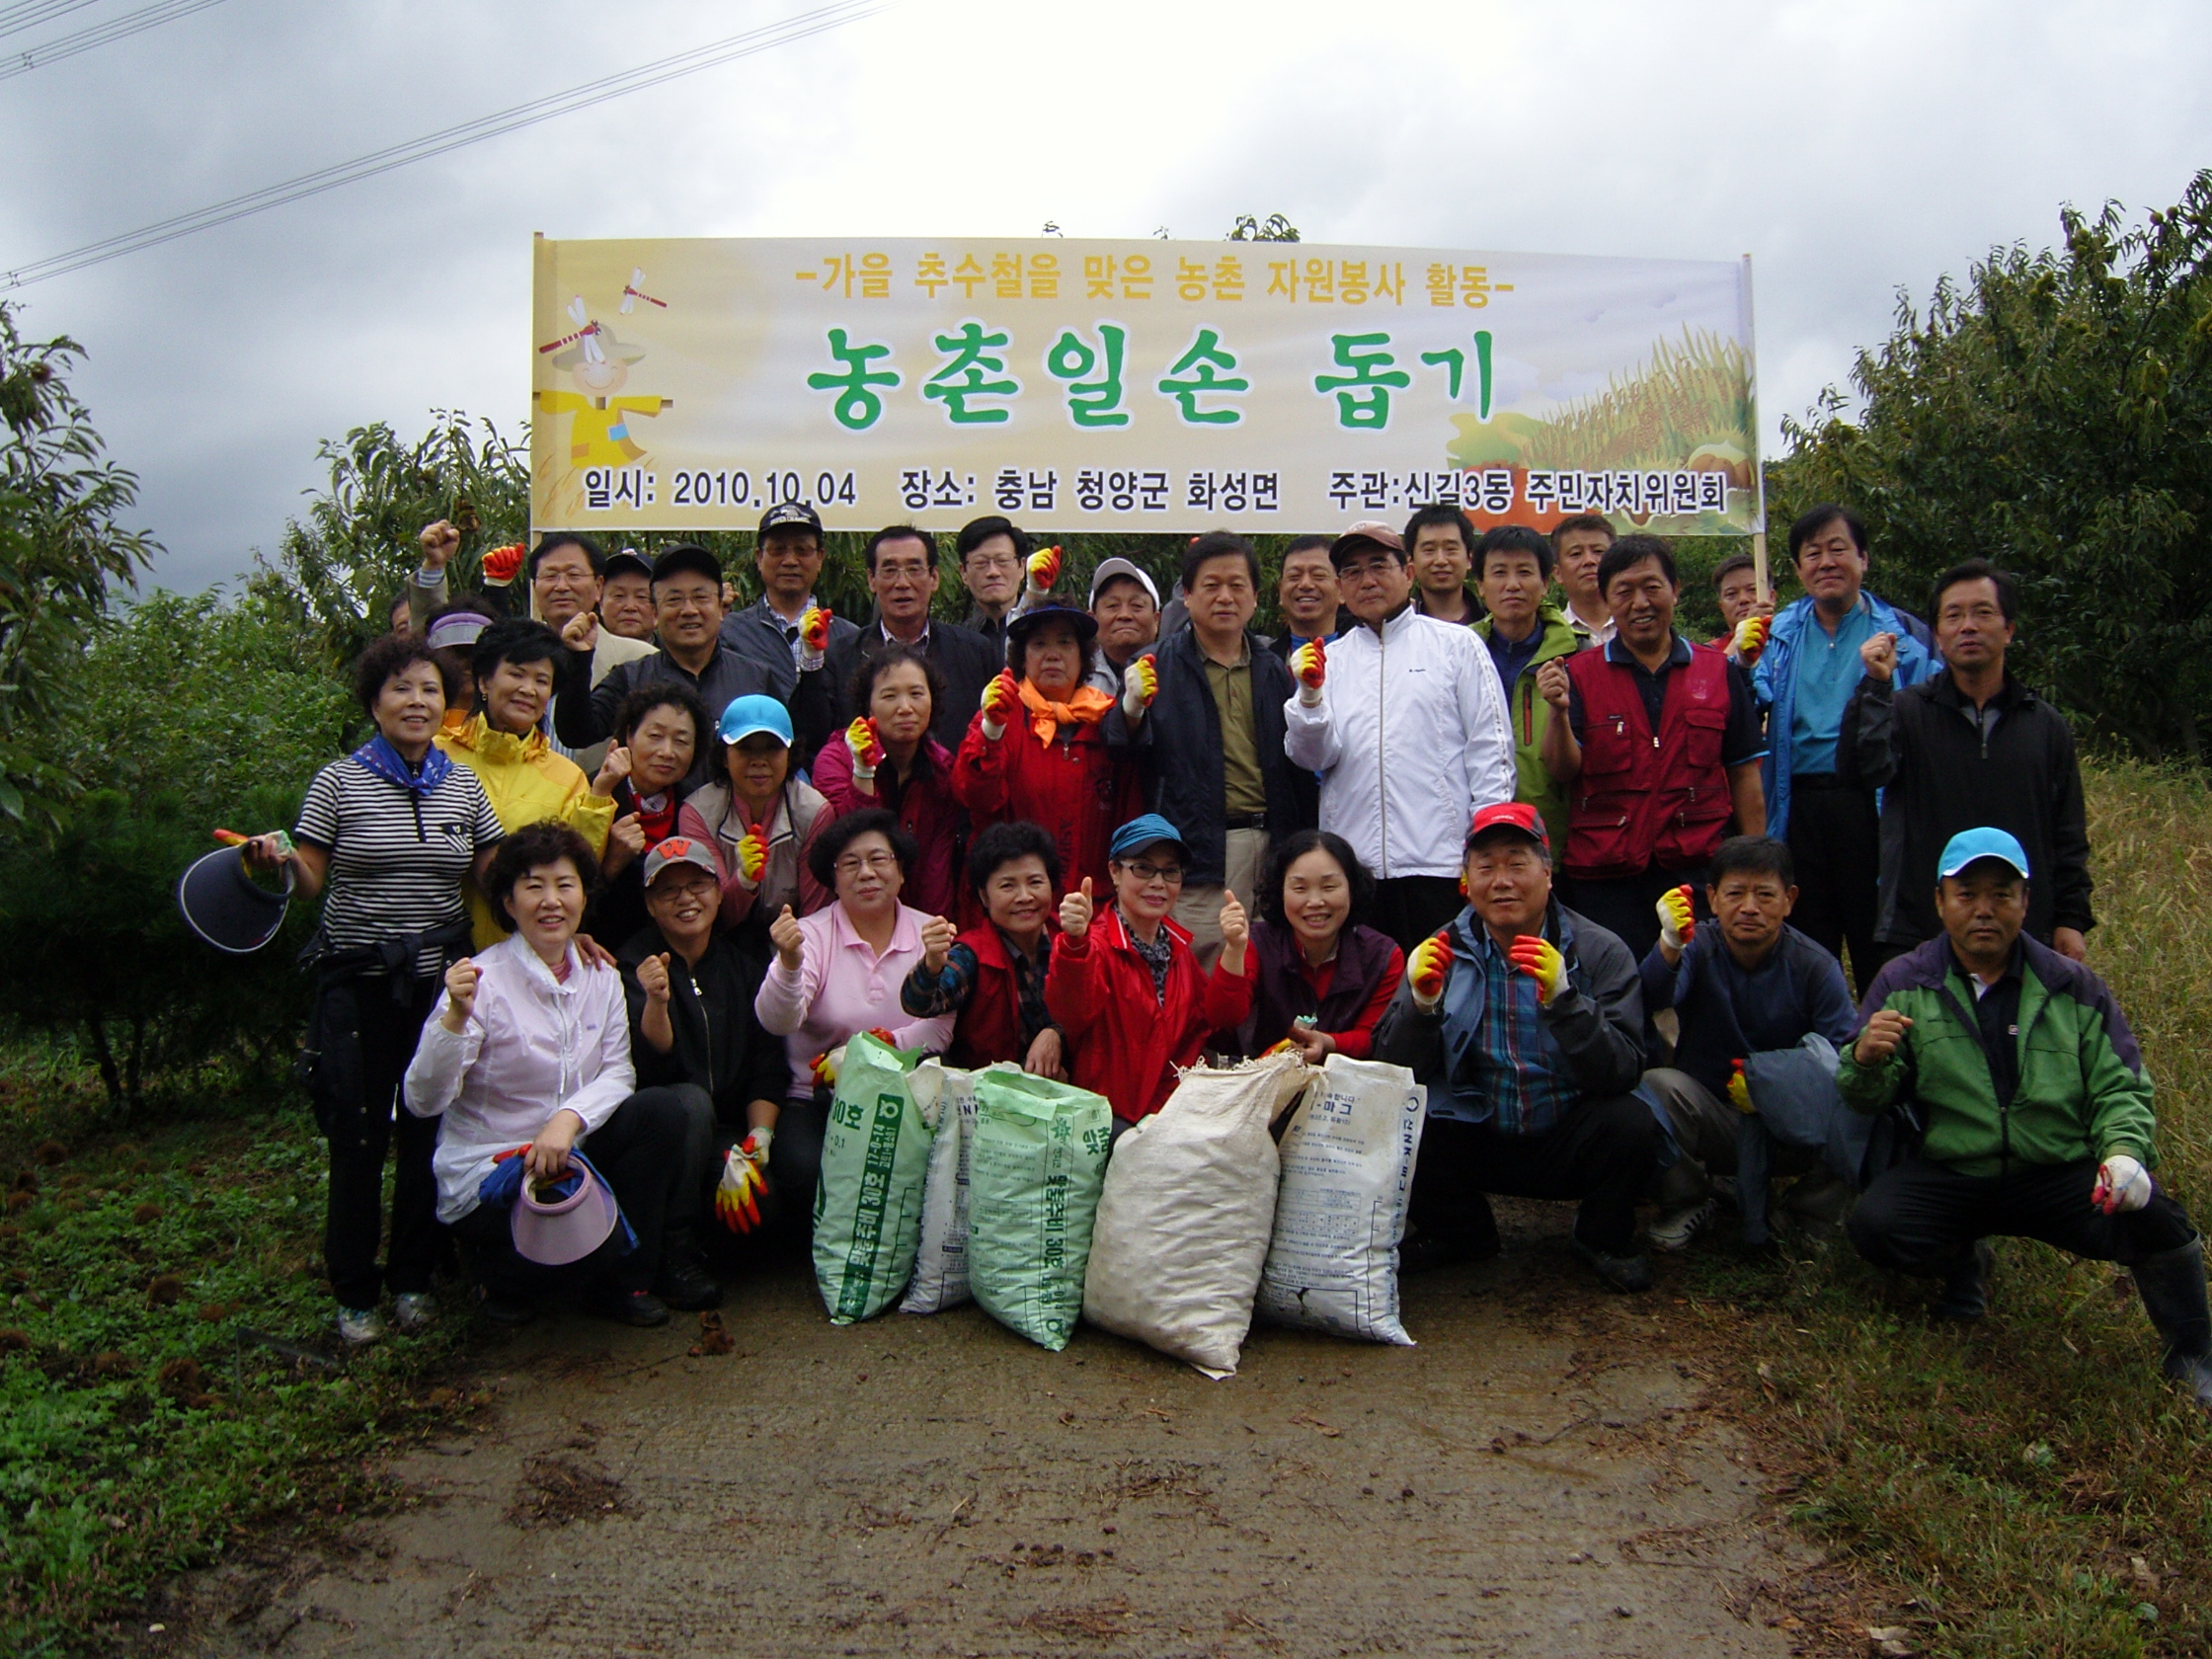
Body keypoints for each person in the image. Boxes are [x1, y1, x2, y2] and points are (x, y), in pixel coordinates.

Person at [1841, 828, 2212, 1408]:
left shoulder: (2073, 985)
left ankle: (2192, 1355)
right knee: (1877, 1224)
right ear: (1940, 903)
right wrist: (1864, 1060)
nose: (1984, 910)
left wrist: (2123, 1154)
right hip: (1957, 1170)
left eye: (2001, 894)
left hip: (2056, 1173)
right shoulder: (1902, 982)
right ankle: (1963, 1263)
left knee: (2159, 1220)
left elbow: (2121, 1084)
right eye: (1967, 895)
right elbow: (1866, 1099)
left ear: (2025, 901)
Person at [242, 635, 506, 1344]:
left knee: (430, 1131)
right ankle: (355, 1292)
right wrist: (277, 861)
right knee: (356, 1139)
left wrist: (561, 923)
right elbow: (311, 881)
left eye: (427, 689)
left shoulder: (463, 784)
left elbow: (494, 877)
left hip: (440, 991)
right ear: (373, 703)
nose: (416, 702)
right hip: (356, 983)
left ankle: (414, 1279)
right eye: (400, 690)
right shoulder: (339, 782)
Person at [404, 822, 707, 1328]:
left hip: (573, 1153)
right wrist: (453, 1019)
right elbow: (423, 1100)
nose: (551, 901)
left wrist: (566, 1121)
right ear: (507, 902)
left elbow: (617, 1072)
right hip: (493, 1173)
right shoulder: (482, 981)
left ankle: (621, 1282)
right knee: (555, 1269)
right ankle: (503, 1274)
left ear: (584, 897)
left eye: (565, 885)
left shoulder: (602, 975)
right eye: (533, 886)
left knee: (663, 1112)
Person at [1372, 802, 1658, 1293]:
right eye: (1485, 867)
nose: (1501, 880)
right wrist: (1420, 1006)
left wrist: (1566, 1002)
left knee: (1631, 1122)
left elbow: (1625, 1068)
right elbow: (1391, 1069)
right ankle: (1462, 1234)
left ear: (1548, 874)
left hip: (1567, 1132)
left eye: (1517, 863)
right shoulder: (1440, 949)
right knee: (1404, 1121)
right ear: (1466, 881)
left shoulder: (1599, 949)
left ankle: (1601, 1237)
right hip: (1477, 1127)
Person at [1282, 519, 1516, 951]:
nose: (1366, 580)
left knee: (1444, 987)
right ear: (1339, 587)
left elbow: (1492, 752)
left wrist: (1485, 851)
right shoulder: (1329, 658)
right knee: (1368, 995)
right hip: (1355, 869)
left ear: (1407, 573)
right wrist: (1310, 697)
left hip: (1441, 865)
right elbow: (1312, 757)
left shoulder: (1456, 645)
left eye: (1378, 566)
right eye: (1352, 572)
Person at [1845, 560, 2091, 961]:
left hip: (2022, 932)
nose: (1968, 626)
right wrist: (1875, 687)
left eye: (1983, 613)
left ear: (2009, 629)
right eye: (1953, 615)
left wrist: (2071, 919)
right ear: (1938, 636)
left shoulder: (2045, 726)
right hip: (1919, 932)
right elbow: (1863, 772)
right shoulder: (1906, 711)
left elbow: (2068, 835)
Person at [1538, 534, 1767, 960]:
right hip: (1607, 879)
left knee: (1696, 993)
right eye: (1623, 591)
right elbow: (1561, 769)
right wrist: (1555, 711)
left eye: (1652, 587)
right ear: (1607, 600)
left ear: (1675, 591)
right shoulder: (1579, 673)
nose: (1639, 602)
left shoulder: (1716, 670)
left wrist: (1754, 864)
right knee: (1616, 996)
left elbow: (1743, 772)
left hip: (1696, 870)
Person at [1636, 835, 1858, 1251]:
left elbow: (1842, 1058)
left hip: (1789, 1122)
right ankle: (1687, 1199)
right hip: (1714, 1113)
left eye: (1765, 895)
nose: (1750, 907)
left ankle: (1806, 1213)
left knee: (1860, 1100)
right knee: (1655, 1086)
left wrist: (1776, 1085)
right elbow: (1650, 998)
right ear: (1713, 898)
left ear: (1789, 900)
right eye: (1735, 893)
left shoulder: (1816, 966)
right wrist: (1668, 943)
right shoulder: (1697, 946)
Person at [1754, 504, 1936, 987]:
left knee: (1881, 940)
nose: (1826, 562)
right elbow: (1752, 700)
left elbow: (1932, 711)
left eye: (1838, 549)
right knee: (1810, 946)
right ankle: (1821, 1052)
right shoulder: (1780, 635)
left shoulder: (1905, 636)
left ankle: (1889, 1046)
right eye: (1812, 554)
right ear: (1797, 569)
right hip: (1800, 806)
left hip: (1873, 803)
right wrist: (1743, 660)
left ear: (1864, 559)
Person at [1115, 531, 1306, 969]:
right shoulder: (1154, 664)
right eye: (1211, 585)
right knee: (1198, 967)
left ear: (1256, 597)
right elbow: (1120, 746)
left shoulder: (1273, 669)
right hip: (1201, 847)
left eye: (1237, 586)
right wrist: (1130, 708)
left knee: (1266, 969)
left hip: (1270, 844)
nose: (1225, 597)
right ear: (1187, 594)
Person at [753, 810, 956, 1212]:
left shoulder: (928, 931)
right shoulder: (811, 934)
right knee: (804, 1170)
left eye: (879, 859)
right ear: (833, 879)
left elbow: (940, 1028)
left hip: (906, 1093)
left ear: (901, 871)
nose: (866, 873)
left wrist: (870, 1050)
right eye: (850, 863)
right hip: (816, 1100)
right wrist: (790, 963)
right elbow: (777, 1021)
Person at [617, 836, 789, 1274]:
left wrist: (757, 1141)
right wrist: (656, 1001)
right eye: (668, 891)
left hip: (727, 1132)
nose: (686, 899)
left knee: (761, 1206)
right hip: (663, 1137)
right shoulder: (633, 964)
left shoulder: (742, 967)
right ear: (650, 905)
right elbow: (653, 1063)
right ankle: (673, 1247)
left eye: (697, 884)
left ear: (718, 892)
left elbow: (767, 1063)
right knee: (689, 1104)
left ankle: (710, 1242)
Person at [1044, 815, 1254, 1131]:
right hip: (1109, 1123)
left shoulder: (1179, 949)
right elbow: (1072, 1012)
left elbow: (1221, 1019)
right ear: (1115, 872)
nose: (1158, 883)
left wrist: (1235, 950)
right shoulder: (1097, 944)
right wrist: (1074, 943)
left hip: (1175, 1123)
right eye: (1143, 868)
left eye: (1170, 872)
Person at [414, 522, 652, 772]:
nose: (561, 586)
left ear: (599, 587)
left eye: (573, 575)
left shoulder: (639, 660)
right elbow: (432, 645)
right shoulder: (507, 652)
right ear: (535, 585)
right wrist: (433, 568)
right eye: (550, 575)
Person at [436, 618, 617, 947]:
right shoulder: (436, 754)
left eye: (542, 680)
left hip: (524, 956)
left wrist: (599, 795)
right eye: (516, 674)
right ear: (483, 682)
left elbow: (576, 871)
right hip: (436, 954)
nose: (528, 689)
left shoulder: (567, 776)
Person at [553, 543, 778, 792]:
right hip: (646, 825)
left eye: (701, 598)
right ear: (655, 612)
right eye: (674, 599)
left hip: (736, 825)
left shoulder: (756, 678)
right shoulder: (630, 678)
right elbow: (575, 733)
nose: (689, 610)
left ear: (720, 607)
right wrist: (578, 660)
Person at [953, 600, 1137, 895]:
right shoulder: (1000, 713)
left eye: (1065, 643)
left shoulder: (1108, 717)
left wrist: (1136, 711)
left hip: (1094, 903)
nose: (1053, 654)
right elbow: (976, 797)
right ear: (1022, 658)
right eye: (1039, 644)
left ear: (1083, 656)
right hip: (1014, 903)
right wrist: (991, 731)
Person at [794, 526, 1001, 760]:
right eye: (890, 570)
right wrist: (811, 659)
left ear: (934, 578)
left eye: (914, 569)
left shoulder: (974, 651)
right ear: (872, 580)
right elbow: (812, 739)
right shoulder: (842, 655)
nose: (902, 583)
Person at [900, 820, 1066, 1074]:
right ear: (984, 896)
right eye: (1007, 885)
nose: (1024, 896)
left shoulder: (1069, 940)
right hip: (986, 1098)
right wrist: (931, 965)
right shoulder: (971, 954)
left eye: (1035, 882)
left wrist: (1056, 1032)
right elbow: (920, 1004)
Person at [811, 645, 965, 919]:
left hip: (918, 919)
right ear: (867, 705)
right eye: (889, 696)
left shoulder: (942, 767)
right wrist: (863, 772)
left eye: (916, 694)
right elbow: (851, 843)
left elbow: (936, 867)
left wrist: (935, 930)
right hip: (851, 913)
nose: (905, 708)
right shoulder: (835, 759)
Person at [1233, 830, 1404, 1063]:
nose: (1315, 902)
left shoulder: (1383, 955)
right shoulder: (1256, 942)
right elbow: (1224, 1019)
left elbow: (1374, 1038)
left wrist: (1327, 1043)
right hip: (1266, 1079)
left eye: (1329, 887)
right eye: (1300, 888)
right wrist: (1233, 950)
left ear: (1352, 889)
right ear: (1280, 891)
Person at [676, 694, 830, 945]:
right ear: (724, 757)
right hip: (720, 942)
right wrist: (744, 880)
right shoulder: (697, 812)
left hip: (796, 940)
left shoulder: (814, 810)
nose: (759, 761)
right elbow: (714, 915)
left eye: (772, 747)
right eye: (745, 748)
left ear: (790, 755)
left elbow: (817, 911)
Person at [1470, 524, 1580, 854]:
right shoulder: (1459, 653)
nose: (1512, 585)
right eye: (1499, 573)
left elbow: (1571, 766)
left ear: (1545, 583)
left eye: (1525, 572)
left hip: (1555, 835)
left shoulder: (1577, 654)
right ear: (1480, 586)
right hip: (1475, 834)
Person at [586, 682, 709, 950]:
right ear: (629, 736)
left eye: (681, 741)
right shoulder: (593, 789)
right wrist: (611, 865)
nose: (667, 751)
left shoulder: (696, 804)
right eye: (655, 736)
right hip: (600, 947)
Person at [718, 502, 859, 696]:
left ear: (820, 558)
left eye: (802, 550)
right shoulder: (731, 631)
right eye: (778, 550)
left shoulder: (849, 638)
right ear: (759, 558)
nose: (790, 561)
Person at [955, 514, 1048, 660]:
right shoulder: (955, 643)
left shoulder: (1047, 632)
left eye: (1002, 560)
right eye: (980, 563)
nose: (993, 572)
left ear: (1021, 567)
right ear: (963, 572)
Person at [1086, 555, 1161, 700]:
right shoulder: (1076, 675)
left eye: (1137, 606)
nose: (1125, 615)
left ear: (1156, 619)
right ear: (1092, 619)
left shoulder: (1175, 671)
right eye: (1112, 606)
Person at [1268, 534, 1347, 661]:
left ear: (1342, 591)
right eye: (1294, 576)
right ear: (1281, 591)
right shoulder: (1260, 664)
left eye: (1318, 575)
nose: (1305, 584)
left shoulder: (1367, 661)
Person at [1550, 513, 1617, 650]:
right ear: (1557, 573)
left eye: (1598, 551)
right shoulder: (1548, 636)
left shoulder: (1637, 627)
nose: (1589, 561)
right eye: (1576, 554)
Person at [1406, 503, 1479, 626]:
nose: (1440, 560)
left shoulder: (1491, 627)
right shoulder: (1397, 627)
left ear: (1469, 559)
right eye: (1429, 550)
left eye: (1450, 549)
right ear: (1410, 561)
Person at [597, 549, 658, 642]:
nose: (630, 607)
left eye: (642, 597)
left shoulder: (680, 655)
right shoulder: (581, 653)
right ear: (601, 603)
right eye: (619, 595)